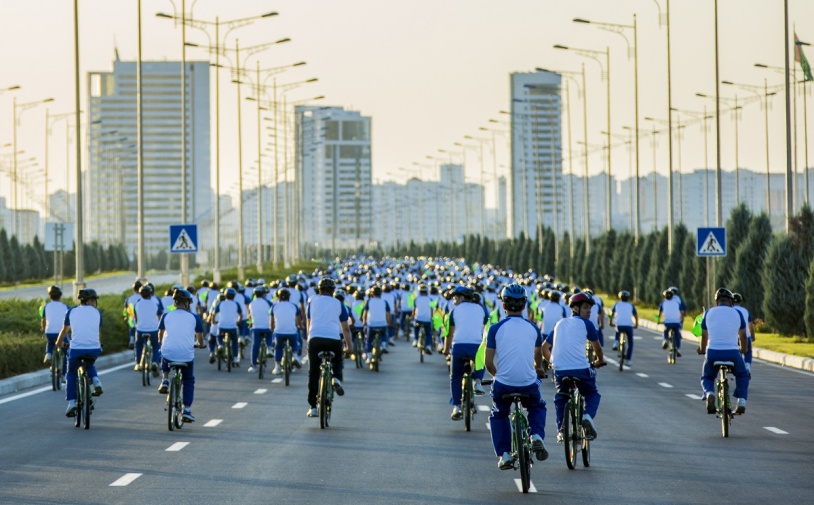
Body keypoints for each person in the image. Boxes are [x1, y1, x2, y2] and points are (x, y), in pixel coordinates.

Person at [485, 283, 548, 469]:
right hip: (528, 384)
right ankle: (536, 435)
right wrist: (539, 369)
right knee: (537, 406)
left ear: (503, 305)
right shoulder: (534, 329)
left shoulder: (495, 329)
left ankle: (504, 454)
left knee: (499, 414)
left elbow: (489, 362)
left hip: (503, 383)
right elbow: (538, 357)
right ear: (524, 305)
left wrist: (498, 376)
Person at [542, 292, 605, 442]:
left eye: (590, 308)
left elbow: (545, 348)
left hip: (559, 369)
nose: (589, 311)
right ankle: (587, 416)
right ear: (575, 308)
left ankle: (562, 430)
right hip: (580, 369)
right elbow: (598, 349)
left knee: (561, 397)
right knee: (592, 393)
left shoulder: (559, 324)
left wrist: (552, 362)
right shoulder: (587, 324)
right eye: (585, 307)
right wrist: (599, 360)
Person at [697, 288, 750, 414]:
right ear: (731, 302)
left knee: (708, 376)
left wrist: (702, 349)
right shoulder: (738, 313)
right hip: (732, 353)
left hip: (713, 352)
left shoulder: (708, 313)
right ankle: (742, 400)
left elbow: (704, 336)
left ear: (716, 302)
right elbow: (743, 336)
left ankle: (709, 393)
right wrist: (743, 349)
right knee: (743, 374)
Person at [305, 277, 353, 417]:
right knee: (337, 360)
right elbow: (345, 329)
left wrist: (309, 342)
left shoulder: (312, 302)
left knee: (314, 372)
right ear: (333, 291)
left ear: (319, 290)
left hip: (315, 338)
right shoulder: (339, 304)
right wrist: (349, 347)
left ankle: (313, 406)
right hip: (333, 339)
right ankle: (336, 377)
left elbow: (309, 325)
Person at [157, 289, 204, 423]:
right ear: (187, 303)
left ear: (175, 302)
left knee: (164, 351)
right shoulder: (194, 317)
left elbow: (160, 335)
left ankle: (165, 379)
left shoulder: (166, 316)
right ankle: (187, 410)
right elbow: (200, 338)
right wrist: (200, 345)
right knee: (188, 380)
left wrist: (161, 343)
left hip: (169, 354)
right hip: (186, 357)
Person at [56, 288, 104, 417]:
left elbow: (65, 331)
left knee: (71, 373)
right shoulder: (97, 313)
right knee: (90, 365)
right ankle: (96, 381)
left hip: (76, 349)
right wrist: (99, 344)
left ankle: (72, 403)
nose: (95, 302)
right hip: (94, 348)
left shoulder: (71, 312)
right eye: (94, 300)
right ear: (90, 300)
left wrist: (59, 343)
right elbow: (98, 333)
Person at [443, 285, 489, 420]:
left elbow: (448, 334)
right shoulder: (481, 309)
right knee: (481, 359)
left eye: (455, 297)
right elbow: (487, 326)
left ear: (461, 298)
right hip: (477, 346)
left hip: (459, 347)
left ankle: (456, 406)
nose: (453, 300)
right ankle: (478, 382)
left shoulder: (454, 311)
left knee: (456, 377)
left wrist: (446, 350)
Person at [270, 287, 303, 374]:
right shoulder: (294, 306)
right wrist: (300, 326)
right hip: (291, 332)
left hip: (279, 332)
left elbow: (271, 322)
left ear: (278, 297)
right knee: (294, 342)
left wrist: (271, 328)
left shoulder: (274, 306)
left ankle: (277, 366)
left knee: (278, 347)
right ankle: (295, 355)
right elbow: (298, 320)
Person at [133, 284, 163, 377]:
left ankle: (138, 363)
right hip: (154, 330)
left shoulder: (137, 304)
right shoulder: (155, 303)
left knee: (138, 345)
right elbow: (159, 318)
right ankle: (154, 362)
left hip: (140, 330)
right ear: (151, 294)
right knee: (156, 346)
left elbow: (136, 318)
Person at [41, 285, 69, 371]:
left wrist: (43, 329)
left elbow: (43, 320)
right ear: (60, 296)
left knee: (50, 342)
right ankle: (64, 374)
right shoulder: (65, 306)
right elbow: (69, 321)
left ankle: (48, 354)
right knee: (67, 351)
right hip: (61, 332)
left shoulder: (46, 306)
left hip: (49, 332)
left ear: (50, 296)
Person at [361, 285, 392, 362]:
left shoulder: (369, 301)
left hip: (371, 324)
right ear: (380, 294)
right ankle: (384, 345)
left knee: (368, 339)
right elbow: (388, 314)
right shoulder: (384, 302)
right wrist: (389, 323)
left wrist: (364, 321)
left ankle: (368, 355)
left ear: (372, 294)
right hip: (382, 324)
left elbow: (364, 313)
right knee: (384, 335)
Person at [247, 285, 273, 374]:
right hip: (267, 327)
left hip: (256, 328)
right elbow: (272, 314)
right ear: (264, 294)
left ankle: (253, 366)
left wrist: (250, 324)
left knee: (255, 346)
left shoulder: (251, 304)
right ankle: (269, 348)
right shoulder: (268, 303)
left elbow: (250, 316)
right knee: (270, 335)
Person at [214, 287, 242, 368]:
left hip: (222, 326)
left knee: (219, 336)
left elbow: (214, 313)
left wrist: (213, 321)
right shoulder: (236, 304)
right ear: (234, 296)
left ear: (225, 296)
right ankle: (236, 357)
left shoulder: (221, 303)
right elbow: (240, 315)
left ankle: (220, 345)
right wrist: (238, 321)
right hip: (232, 326)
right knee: (235, 341)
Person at [609, 290, 638, 365]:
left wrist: (610, 322)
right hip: (629, 326)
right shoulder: (631, 305)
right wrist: (636, 324)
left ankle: (616, 342)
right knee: (630, 342)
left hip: (619, 325)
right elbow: (635, 316)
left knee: (617, 328)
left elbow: (611, 314)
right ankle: (628, 360)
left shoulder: (616, 304)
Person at [732, 293, 756, 373]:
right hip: (746, 335)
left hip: (734, 337)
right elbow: (750, 326)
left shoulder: (730, 311)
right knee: (748, 352)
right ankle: (747, 366)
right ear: (740, 302)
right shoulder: (746, 311)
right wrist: (752, 336)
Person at [659, 288, 686, 357]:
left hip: (667, 323)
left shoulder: (663, 303)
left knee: (665, 330)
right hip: (677, 322)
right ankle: (678, 349)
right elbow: (682, 312)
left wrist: (658, 321)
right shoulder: (677, 303)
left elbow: (660, 313)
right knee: (677, 334)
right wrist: (682, 319)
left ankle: (665, 340)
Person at [411, 284, 434, 352]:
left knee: (416, 328)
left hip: (418, 318)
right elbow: (432, 310)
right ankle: (428, 346)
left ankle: (415, 340)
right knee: (428, 333)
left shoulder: (416, 299)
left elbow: (414, 309)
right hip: (427, 319)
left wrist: (412, 316)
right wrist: (431, 317)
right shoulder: (430, 299)